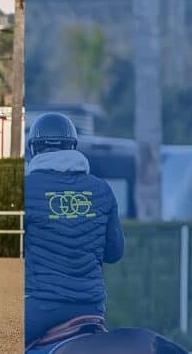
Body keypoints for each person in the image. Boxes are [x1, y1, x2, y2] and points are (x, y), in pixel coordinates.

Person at [24, 112, 125, 348]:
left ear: (34, 148)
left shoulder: (26, 189)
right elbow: (114, 253)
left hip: (41, 307)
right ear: (73, 146)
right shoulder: (101, 189)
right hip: (92, 307)